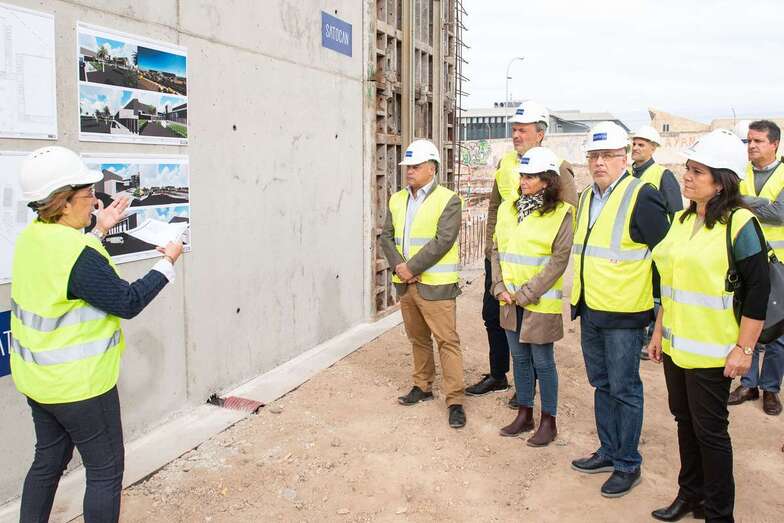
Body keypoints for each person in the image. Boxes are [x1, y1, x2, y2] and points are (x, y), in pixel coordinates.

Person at [10, 146, 183, 522]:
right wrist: (167, 262)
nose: (95, 203)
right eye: (89, 196)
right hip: (81, 387)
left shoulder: (32, 239)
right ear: (63, 201)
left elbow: (68, 269)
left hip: (39, 382)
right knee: (105, 472)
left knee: (48, 461)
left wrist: (100, 228)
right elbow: (128, 301)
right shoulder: (78, 256)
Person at [648, 129, 769, 522]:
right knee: (685, 424)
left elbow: (757, 291)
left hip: (714, 353)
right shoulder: (684, 220)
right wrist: (658, 332)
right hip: (676, 348)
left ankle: (719, 514)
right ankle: (691, 497)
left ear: (721, 180)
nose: (686, 176)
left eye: (696, 171)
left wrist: (745, 350)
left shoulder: (740, 223)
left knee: (711, 434)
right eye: (687, 169)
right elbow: (672, 282)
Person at [569, 121, 670, 498]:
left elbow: (666, 258)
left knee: (625, 388)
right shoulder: (585, 198)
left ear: (624, 158)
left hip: (625, 315)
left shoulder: (641, 195)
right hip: (591, 309)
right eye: (593, 156)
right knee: (602, 384)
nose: (599, 163)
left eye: (607, 156)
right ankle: (609, 451)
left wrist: (661, 316)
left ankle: (628, 463)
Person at [469, 100, 577, 409]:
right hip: (504, 259)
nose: (516, 135)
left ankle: (527, 389)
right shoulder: (506, 164)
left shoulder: (558, 167)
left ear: (540, 134)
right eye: (514, 130)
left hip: (536, 271)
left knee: (532, 334)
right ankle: (499, 374)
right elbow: (495, 208)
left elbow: (566, 220)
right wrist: (492, 249)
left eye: (522, 130)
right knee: (494, 317)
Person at [379, 139, 466, 429]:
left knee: (447, 342)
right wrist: (400, 268)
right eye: (408, 167)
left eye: (415, 167)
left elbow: (444, 240)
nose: (409, 172)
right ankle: (423, 386)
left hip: (435, 285)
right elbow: (386, 236)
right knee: (417, 339)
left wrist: (411, 267)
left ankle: (455, 400)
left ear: (432, 168)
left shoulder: (449, 199)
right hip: (407, 284)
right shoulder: (396, 199)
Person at [490, 147, 573, 446]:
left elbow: (558, 259)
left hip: (538, 301)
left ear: (548, 181)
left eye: (531, 176)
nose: (523, 181)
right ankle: (525, 414)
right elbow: (497, 249)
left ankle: (548, 421)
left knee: (543, 361)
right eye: (523, 175)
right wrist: (498, 286)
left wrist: (526, 293)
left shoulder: (561, 213)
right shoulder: (507, 209)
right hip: (509, 299)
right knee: (520, 360)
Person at [729, 120, 784, 416]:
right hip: (748, 261)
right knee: (748, 324)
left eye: (758, 141)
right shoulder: (741, 173)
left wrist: (745, 201)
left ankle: (771, 389)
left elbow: (780, 215)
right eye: (749, 141)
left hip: (781, 267)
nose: (751, 146)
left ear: (774, 144)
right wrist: (762, 204)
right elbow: (730, 205)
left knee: (777, 329)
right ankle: (748, 383)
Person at [629, 125, 684, 360]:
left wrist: (670, 245)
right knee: (639, 290)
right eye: (634, 143)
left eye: (642, 144)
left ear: (653, 148)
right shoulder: (628, 175)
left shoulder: (663, 175)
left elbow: (676, 212)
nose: (636, 148)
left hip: (659, 245)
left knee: (658, 291)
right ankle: (640, 335)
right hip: (633, 247)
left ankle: (654, 335)